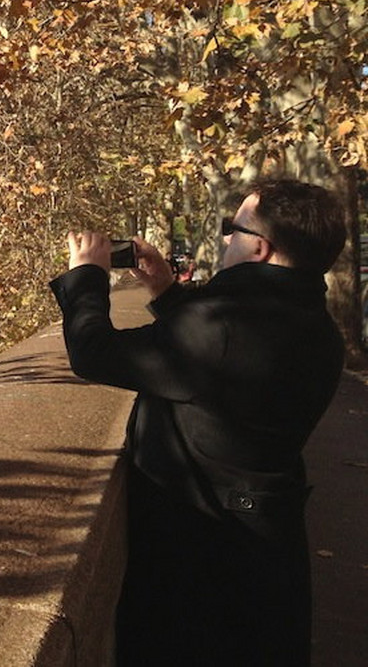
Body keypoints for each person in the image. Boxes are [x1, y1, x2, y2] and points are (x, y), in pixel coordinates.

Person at [49, 179, 347, 666]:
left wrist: (87, 277)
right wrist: (166, 291)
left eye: (234, 228)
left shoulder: (223, 325)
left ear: (259, 247)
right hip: (268, 542)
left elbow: (96, 353)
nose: (226, 237)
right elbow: (210, 365)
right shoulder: (315, 323)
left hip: (203, 552)